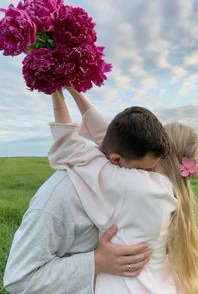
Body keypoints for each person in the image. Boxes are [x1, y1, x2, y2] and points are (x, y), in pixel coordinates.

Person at [47, 87, 198, 294]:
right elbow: (110, 141)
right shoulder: (167, 190)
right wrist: (74, 89)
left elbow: (68, 147)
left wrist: (56, 91)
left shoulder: (135, 186)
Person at [3, 94, 153, 294]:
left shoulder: (110, 161)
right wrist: (96, 262)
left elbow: (98, 129)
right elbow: (19, 279)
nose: (147, 179)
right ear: (116, 161)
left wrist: (73, 89)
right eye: (142, 171)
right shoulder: (55, 201)